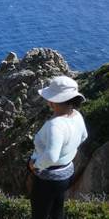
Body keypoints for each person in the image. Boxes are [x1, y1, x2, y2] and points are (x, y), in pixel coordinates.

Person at [28, 75, 88, 219]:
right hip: (66, 172)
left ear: (53, 101)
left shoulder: (55, 125)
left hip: (48, 176)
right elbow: (84, 136)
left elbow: (51, 156)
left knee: (39, 213)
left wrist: (35, 166)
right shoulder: (77, 115)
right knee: (57, 210)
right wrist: (67, 151)